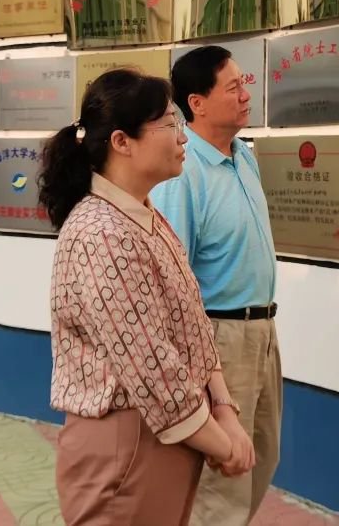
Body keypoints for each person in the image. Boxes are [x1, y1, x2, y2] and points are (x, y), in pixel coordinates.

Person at [40, 67, 255, 526]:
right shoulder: (100, 233)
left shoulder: (143, 216)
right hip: (127, 444)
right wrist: (223, 444)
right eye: (169, 123)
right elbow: (151, 364)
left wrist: (223, 408)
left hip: (163, 436)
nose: (182, 136)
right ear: (122, 142)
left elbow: (192, 325)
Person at [149, 46, 281, 526]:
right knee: (221, 482)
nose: (246, 95)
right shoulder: (183, 175)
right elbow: (172, 282)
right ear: (197, 103)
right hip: (219, 338)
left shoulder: (244, 157)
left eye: (245, 85)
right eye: (234, 87)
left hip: (262, 332)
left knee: (260, 458)